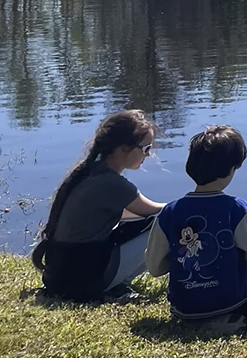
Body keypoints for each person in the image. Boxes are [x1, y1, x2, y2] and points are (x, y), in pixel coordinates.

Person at [145, 125, 247, 334]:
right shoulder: (237, 209)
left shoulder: (169, 212)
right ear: (232, 168)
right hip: (233, 300)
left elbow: (154, 268)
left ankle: (216, 322)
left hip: (184, 308)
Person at [31, 109, 165, 301]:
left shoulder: (90, 172)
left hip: (60, 278)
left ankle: (115, 284)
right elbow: (159, 212)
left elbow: (130, 214)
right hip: (83, 282)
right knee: (165, 224)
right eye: (145, 149)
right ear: (123, 149)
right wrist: (197, 204)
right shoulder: (113, 184)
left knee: (142, 225)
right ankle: (114, 285)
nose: (149, 155)